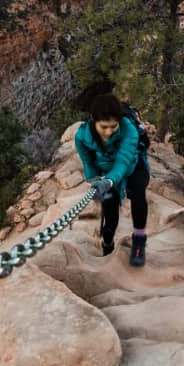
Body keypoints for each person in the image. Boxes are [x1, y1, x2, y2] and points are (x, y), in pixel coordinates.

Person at [74, 90, 150, 266]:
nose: (108, 132)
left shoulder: (129, 130)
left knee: (138, 194)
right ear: (93, 121)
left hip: (133, 165)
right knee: (110, 210)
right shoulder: (82, 136)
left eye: (113, 127)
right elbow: (88, 162)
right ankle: (107, 240)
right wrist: (94, 181)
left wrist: (109, 181)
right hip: (105, 172)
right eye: (104, 127)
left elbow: (123, 161)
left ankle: (139, 241)